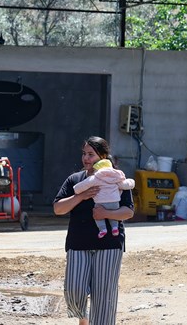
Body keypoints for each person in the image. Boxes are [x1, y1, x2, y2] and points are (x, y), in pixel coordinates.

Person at [53, 136, 134, 325]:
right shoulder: (76, 180)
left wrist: (106, 212)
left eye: (91, 154)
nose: (86, 159)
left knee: (104, 296)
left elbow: (128, 212)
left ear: (103, 156)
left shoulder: (116, 178)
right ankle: (83, 317)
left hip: (109, 245)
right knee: (74, 290)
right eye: (84, 154)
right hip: (78, 243)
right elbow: (58, 209)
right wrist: (79, 196)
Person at [73, 159, 135, 239]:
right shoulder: (116, 178)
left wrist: (76, 189)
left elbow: (84, 185)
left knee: (98, 215)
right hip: (114, 202)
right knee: (114, 216)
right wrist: (132, 182)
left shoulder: (96, 178)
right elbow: (126, 184)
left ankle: (102, 229)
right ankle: (115, 228)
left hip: (100, 202)